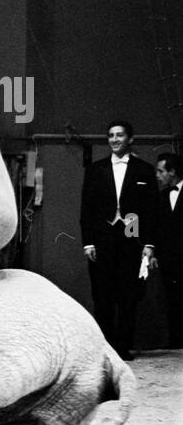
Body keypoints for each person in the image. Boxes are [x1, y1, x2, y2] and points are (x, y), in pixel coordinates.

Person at [80, 121, 158, 360]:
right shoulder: (96, 169)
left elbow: (152, 210)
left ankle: (122, 347)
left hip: (131, 240)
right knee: (102, 296)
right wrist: (89, 242)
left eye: (120, 135)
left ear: (130, 139)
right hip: (103, 240)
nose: (114, 139)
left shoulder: (144, 170)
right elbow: (87, 209)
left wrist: (149, 244)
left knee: (128, 296)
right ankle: (106, 350)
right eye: (111, 136)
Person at [154, 152, 183, 348]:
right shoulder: (161, 196)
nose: (157, 175)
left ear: (172, 172)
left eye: (160, 171)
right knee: (173, 303)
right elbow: (155, 228)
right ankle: (176, 344)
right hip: (169, 261)